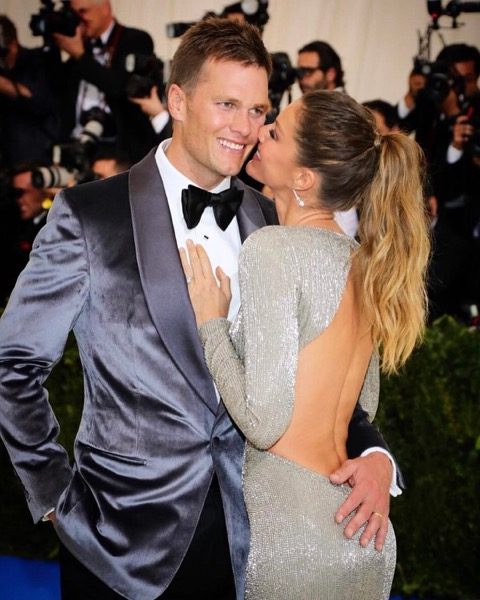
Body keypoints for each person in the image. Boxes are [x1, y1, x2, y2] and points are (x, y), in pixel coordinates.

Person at [0, 18, 396, 600]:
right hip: (115, 541)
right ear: (178, 101)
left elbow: (327, 375)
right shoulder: (90, 215)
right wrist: (56, 496)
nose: (246, 128)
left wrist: (376, 454)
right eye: (227, 104)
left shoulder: (273, 220)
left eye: (258, 110)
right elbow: (13, 364)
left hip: (249, 543)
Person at [181, 90, 429, 598]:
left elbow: (263, 423)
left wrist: (211, 322)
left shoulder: (273, 249)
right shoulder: (365, 263)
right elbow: (364, 404)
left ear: (303, 179)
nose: (258, 132)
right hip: (360, 530)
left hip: (289, 531)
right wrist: (378, 459)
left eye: (274, 133)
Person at [53, 0, 158, 162]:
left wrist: (80, 55)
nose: (79, 19)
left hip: (121, 151)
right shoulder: (79, 46)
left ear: (105, 8)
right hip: (79, 147)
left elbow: (120, 87)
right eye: (74, 14)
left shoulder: (135, 39)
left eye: (83, 12)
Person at [296, 40, 357, 237]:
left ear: (330, 74)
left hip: (332, 216)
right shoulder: (314, 108)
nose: (302, 78)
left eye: (308, 71)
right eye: (299, 71)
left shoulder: (342, 113)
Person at [0, 15, 61, 167]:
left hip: (33, 159)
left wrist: (5, 85)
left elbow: (42, 103)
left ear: (12, 45)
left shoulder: (38, 61)